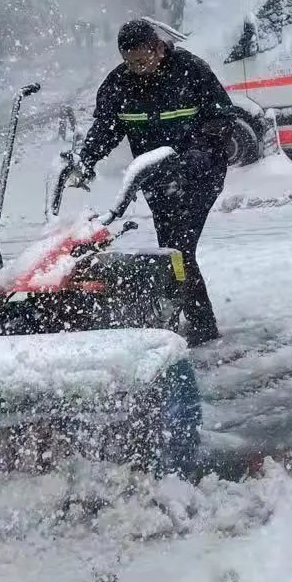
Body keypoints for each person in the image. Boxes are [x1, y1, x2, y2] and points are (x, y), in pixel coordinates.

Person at [70, 17, 235, 347]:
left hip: (200, 173)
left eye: (143, 59)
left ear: (159, 48)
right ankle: (170, 318)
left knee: (181, 248)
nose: (138, 68)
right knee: (169, 251)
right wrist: (86, 158)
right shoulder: (118, 85)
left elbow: (222, 116)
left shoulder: (190, 71)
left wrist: (201, 150)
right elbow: (106, 129)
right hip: (155, 176)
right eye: (130, 62)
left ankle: (202, 326)